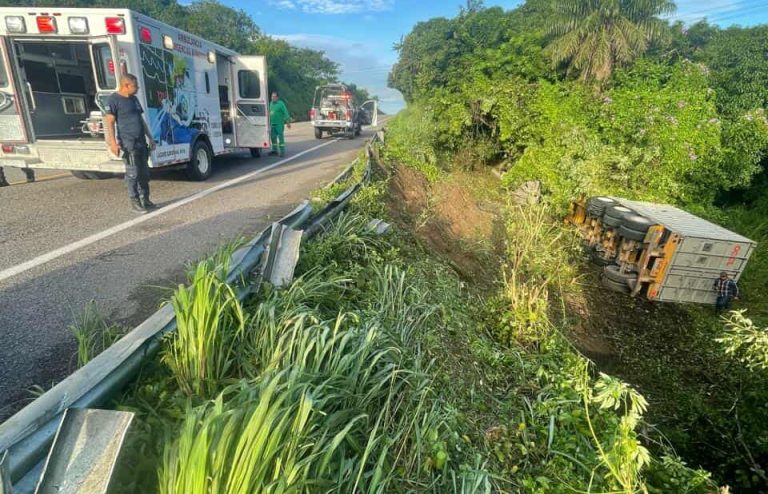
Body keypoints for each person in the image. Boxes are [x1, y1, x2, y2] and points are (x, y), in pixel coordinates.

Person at [104, 74, 157, 213]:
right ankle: (135, 202)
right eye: (135, 86)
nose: (138, 88)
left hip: (141, 142)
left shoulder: (134, 99)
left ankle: (145, 199)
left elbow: (141, 120)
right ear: (126, 85)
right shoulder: (114, 100)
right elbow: (109, 122)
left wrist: (150, 137)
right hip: (128, 143)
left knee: (144, 173)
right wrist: (113, 143)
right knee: (133, 174)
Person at [269, 91, 291, 157]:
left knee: (280, 138)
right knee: (273, 138)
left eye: (274, 96)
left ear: (277, 97)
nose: (273, 98)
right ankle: (274, 151)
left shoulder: (281, 104)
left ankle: (282, 152)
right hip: (272, 124)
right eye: (272, 96)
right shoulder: (270, 104)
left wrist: (288, 122)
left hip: (279, 124)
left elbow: (285, 112)